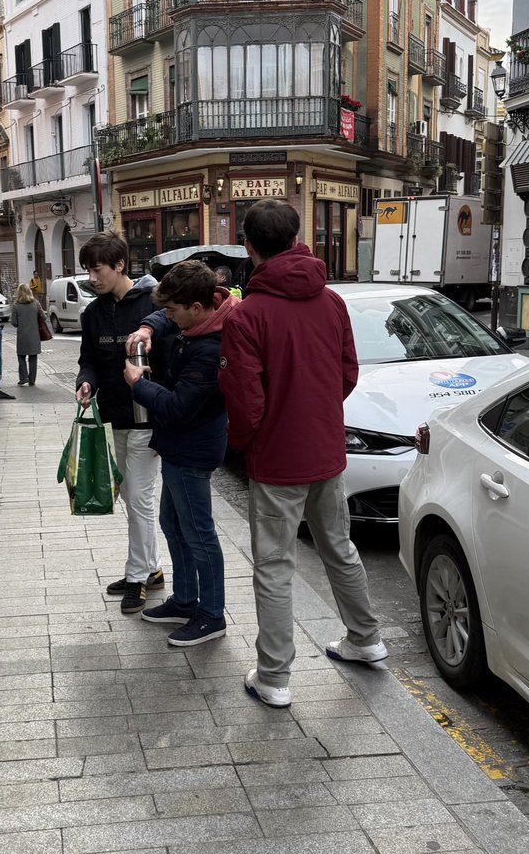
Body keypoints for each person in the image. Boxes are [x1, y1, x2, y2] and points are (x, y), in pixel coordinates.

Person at [218, 199, 387, 708]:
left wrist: (245, 443)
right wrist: (312, 410)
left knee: (274, 565)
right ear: (296, 239)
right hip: (326, 451)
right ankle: (366, 638)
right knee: (340, 547)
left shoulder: (247, 316)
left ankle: (274, 675)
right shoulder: (332, 301)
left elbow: (246, 404)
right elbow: (347, 372)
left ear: (249, 245)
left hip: (278, 460)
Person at [124, 261, 239, 646]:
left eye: (174, 311)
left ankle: (211, 615)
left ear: (195, 306)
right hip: (176, 446)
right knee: (173, 525)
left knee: (199, 534)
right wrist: (147, 326)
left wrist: (139, 384)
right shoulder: (198, 320)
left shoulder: (212, 347)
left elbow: (178, 406)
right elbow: (163, 315)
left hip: (192, 450)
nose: (168, 317)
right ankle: (186, 600)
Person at [75, 230, 164, 614]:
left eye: (98, 271)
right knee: (130, 495)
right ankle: (152, 567)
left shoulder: (153, 303)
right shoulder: (93, 313)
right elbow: (88, 358)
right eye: (88, 272)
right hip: (115, 418)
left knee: (139, 499)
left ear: (120, 265)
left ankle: (137, 576)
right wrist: (86, 382)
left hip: (148, 417)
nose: (92, 279)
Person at [11, 283, 45, 385]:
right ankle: (32, 380)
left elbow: (14, 323)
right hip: (34, 335)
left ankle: (23, 377)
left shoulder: (16, 306)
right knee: (33, 358)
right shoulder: (36, 303)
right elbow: (44, 317)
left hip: (22, 336)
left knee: (21, 356)